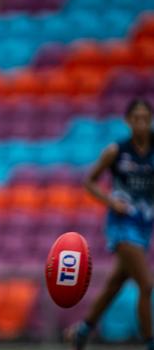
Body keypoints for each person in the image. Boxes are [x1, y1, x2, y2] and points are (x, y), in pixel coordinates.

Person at [66, 98, 154, 350]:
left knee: (115, 284)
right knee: (147, 284)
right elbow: (89, 181)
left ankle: (82, 331)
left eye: (145, 118)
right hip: (122, 225)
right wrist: (110, 201)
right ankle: (150, 342)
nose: (141, 123)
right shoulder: (117, 151)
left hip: (144, 225)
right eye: (136, 118)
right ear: (128, 121)